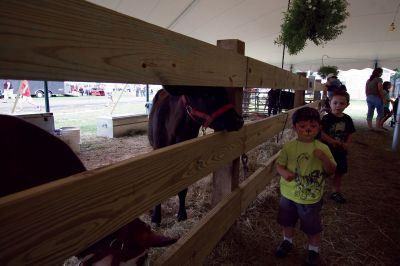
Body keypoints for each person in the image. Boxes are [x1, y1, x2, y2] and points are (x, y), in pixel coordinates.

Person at [275, 107, 336, 266]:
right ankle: (287, 241)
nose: (307, 130)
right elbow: (279, 166)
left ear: (319, 128)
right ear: (295, 128)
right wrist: (284, 173)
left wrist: (324, 159)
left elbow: (331, 171)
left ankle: (313, 250)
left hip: (310, 197)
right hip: (288, 195)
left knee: (312, 226)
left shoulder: (323, 148)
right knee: (287, 221)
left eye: (312, 126)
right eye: (302, 126)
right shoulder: (289, 147)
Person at [321, 90, 356, 204]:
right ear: (330, 103)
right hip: (327, 150)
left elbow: (351, 133)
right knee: (324, 171)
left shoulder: (347, 119)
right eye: (335, 103)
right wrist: (331, 141)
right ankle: (317, 189)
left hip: (340, 151)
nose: (338, 106)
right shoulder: (326, 119)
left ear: (347, 105)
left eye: (342, 103)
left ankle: (335, 191)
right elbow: (321, 133)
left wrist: (347, 144)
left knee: (339, 171)